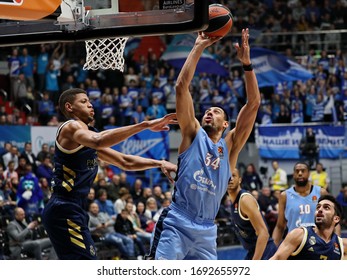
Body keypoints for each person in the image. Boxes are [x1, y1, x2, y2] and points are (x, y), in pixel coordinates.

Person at [147, 28, 260, 260]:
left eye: (216, 111)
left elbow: (253, 104)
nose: (209, 112)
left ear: (226, 123)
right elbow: (181, 87)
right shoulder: (192, 132)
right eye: (207, 110)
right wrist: (198, 46)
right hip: (178, 221)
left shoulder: (230, 147)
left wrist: (247, 65)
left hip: (207, 230)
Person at [42, 88, 177, 260]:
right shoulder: (71, 127)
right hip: (64, 208)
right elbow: (99, 140)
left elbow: (125, 162)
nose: (90, 104)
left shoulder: (88, 139)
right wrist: (144, 125)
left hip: (74, 208)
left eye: (89, 100)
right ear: (69, 107)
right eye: (83, 101)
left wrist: (159, 163)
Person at [270, 195, 347, 260]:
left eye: (326, 208)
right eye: (318, 207)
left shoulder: (341, 245)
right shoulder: (299, 235)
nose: (320, 210)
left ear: (336, 219)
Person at [272, 161, 328, 246]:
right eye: (297, 171)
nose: (300, 173)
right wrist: (272, 249)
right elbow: (280, 226)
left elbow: (332, 221)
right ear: (293, 174)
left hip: (317, 244)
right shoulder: (284, 196)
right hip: (294, 245)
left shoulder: (321, 192)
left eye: (303, 171)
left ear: (309, 174)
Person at [227, 168, 277, 260]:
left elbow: (264, 233)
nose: (230, 179)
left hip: (265, 251)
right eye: (227, 176)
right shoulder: (233, 201)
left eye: (233, 176)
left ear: (240, 180)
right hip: (253, 251)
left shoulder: (245, 199)